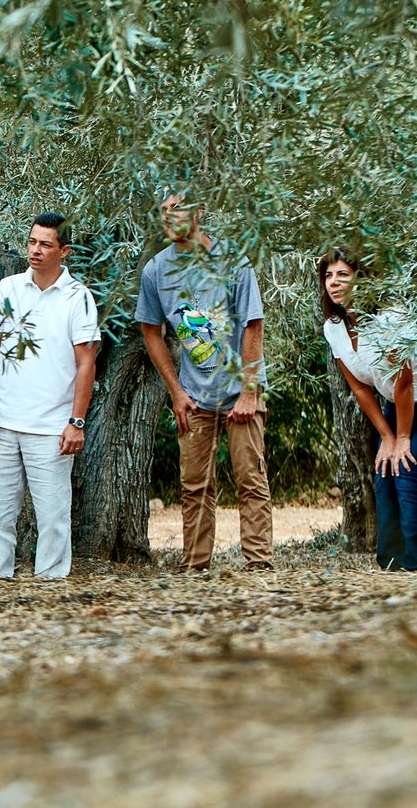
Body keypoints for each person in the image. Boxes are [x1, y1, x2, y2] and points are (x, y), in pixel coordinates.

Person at [134, 193, 271, 572]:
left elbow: (253, 325)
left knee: (250, 480)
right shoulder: (156, 271)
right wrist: (175, 391)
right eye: (162, 211)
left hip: (240, 395)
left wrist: (248, 391)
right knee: (194, 486)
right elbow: (151, 331)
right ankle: (195, 565)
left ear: (199, 212)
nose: (168, 216)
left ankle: (258, 564)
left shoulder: (232, 260)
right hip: (194, 395)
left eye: (175, 208)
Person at [318, 248, 417, 572]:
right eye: (328, 276)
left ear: (361, 280)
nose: (333, 282)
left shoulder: (389, 319)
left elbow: (404, 382)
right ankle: (391, 565)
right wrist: (386, 437)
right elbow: (359, 387)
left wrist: (402, 437)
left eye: (342, 274)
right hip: (400, 400)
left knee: (407, 470)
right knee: (384, 469)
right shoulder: (334, 328)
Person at [0, 214, 100, 580]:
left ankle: (50, 586)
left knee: (53, 517)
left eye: (45, 244)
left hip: (52, 427)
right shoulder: (9, 288)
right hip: (4, 422)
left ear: (64, 251)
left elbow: (86, 363)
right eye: (31, 242)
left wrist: (76, 422)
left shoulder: (79, 298)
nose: (35, 250)